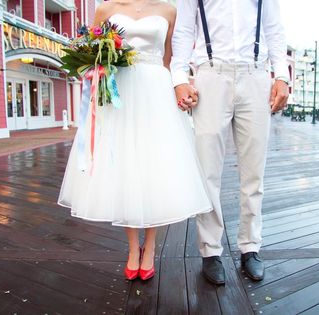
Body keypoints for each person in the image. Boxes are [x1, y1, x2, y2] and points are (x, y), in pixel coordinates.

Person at [58, 0, 212, 281]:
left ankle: (150, 246)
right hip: (121, 92)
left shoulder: (169, 10)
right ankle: (132, 248)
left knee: (154, 165)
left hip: (155, 92)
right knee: (124, 165)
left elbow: (168, 59)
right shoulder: (106, 8)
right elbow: (97, 53)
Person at [171, 0, 289, 285]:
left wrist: (282, 75)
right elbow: (184, 30)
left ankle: (251, 247)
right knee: (208, 171)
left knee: (254, 172)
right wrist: (179, 77)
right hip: (210, 74)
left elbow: (274, 29)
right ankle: (210, 250)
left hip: (256, 74)